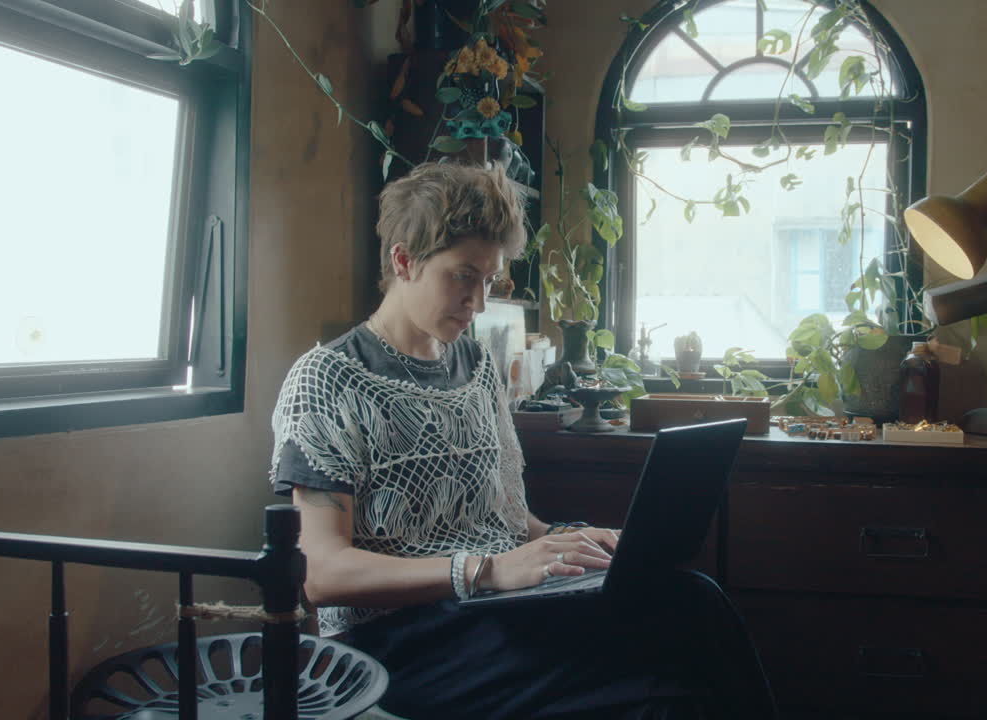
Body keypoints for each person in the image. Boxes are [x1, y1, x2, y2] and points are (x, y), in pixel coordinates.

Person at [269, 162, 774, 720]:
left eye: (489, 281)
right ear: (404, 260)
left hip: (499, 608)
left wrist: (575, 543)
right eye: (463, 276)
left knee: (694, 600)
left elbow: (513, 525)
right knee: (656, 692)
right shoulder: (327, 379)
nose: (478, 303)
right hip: (404, 640)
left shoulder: (477, 366)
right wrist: (484, 570)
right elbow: (321, 572)